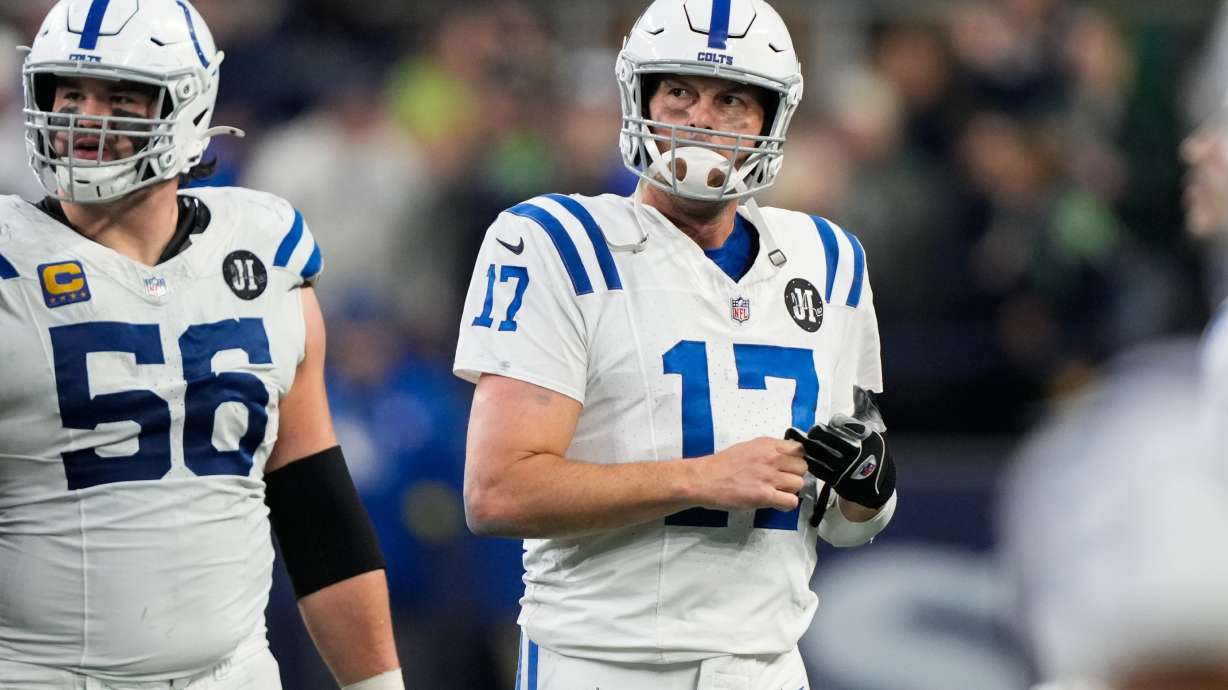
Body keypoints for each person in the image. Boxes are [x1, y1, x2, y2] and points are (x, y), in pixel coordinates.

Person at [454, 1, 898, 687]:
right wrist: (698, 478)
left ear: (770, 119)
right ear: (641, 99)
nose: (700, 119)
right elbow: (498, 492)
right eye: (680, 92)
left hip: (766, 666)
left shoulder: (828, 259)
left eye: (730, 101)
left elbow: (845, 518)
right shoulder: (556, 243)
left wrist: (869, 491)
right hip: (602, 661)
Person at [0, 1, 402, 688]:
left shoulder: (264, 251)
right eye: (69, 94)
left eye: (119, 99)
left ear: (186, 106)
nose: (85, 120)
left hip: (234, 673)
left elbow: (316, 510)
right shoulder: (12, 263)